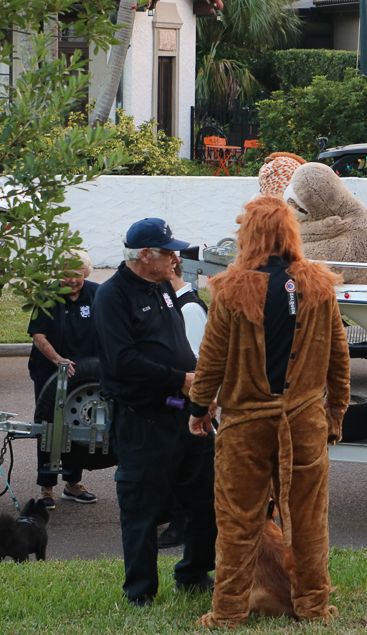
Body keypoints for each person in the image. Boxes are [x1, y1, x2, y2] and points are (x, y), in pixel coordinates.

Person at [189, 195, 350, 627]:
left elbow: (211, 361)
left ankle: (227, 612)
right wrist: (335, 412)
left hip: (244, 427)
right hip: (304, 422)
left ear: (250, 234)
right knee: (310, 519)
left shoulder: (230, 288)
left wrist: (199, 409)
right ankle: (313, 607)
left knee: (238, 523)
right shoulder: (318, 284)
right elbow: (339, 356)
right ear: (289, 232)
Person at [93, 218, 217, 606]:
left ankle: (194, 574)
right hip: (143, 419)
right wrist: (180, 378)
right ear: (145, 255)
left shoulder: (162, 287)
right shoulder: (112, 296)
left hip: (185, 412)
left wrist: (201, 390)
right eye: (169, 252)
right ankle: (140, 593)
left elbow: (176, 343)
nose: (176, 259)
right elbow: (122, 362)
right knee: (142, 509)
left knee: (204, 499)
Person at [26, 248, 100, 508]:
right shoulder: (46, 296)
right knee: (49, 426)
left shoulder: (96, 293)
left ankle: (73, 484)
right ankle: (47, 489)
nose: (72, 281)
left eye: (77, 275)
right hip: (50, 369)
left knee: (78, 425)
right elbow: (38, 336)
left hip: (84, 372)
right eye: (67, 275)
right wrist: (58, 359)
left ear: (85, 274)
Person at [157, 263, 211, 549]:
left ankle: (180, 526)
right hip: (186, 399)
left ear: (172, 270)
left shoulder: (188, 308)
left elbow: (194, 361)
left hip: (192, 401)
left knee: (182, 467)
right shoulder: (180, 304)